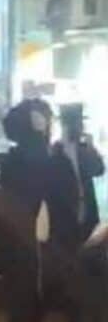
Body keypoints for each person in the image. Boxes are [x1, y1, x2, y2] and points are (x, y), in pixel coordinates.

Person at [0, 99, 75, 322]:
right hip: (31, 248)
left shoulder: (18, 159)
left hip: (25, 247)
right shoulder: (37, 159)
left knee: (28, 314)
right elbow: (60, 195)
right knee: (26, 314)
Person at [52, 103, 104, 245]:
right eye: (77, 123)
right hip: (66, 214)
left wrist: (91, 147)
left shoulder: (84, 149)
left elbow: (99, 170)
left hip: (88, 212)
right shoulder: (55, 151)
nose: (81, 127)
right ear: (66, 125)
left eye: (81, 123)